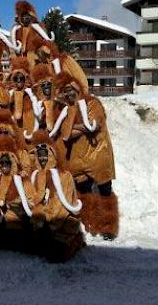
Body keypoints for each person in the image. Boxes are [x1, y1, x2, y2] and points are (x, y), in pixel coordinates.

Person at [49, 72, 118, 240]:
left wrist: (76, 128)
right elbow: (66, 134)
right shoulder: (67, 110)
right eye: (66, 91)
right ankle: (90, 223)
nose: (70, 93)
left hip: (98, 153)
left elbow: (94, 124)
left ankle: (108, 227)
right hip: (79, 158)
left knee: (105, 192)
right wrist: (78, 127)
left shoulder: (93, 103)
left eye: (72, 89)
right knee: (85, 192)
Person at [25, 130, 85, 262]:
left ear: (52, 156)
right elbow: (30, 198)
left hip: (58, 223)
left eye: (45, 155)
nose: (42, 159)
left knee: (56, 255)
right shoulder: (34, 176)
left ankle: (75, 241)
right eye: (39, 156)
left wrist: (44, 218)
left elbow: (61, 207)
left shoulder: (64, 176)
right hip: (40, 221)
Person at [7, 56, 41, 149]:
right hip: (15, 132)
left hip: (29, 130)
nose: (19, 81)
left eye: (21, 78)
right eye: (16, 78)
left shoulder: (32, 94)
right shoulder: (9, 95)